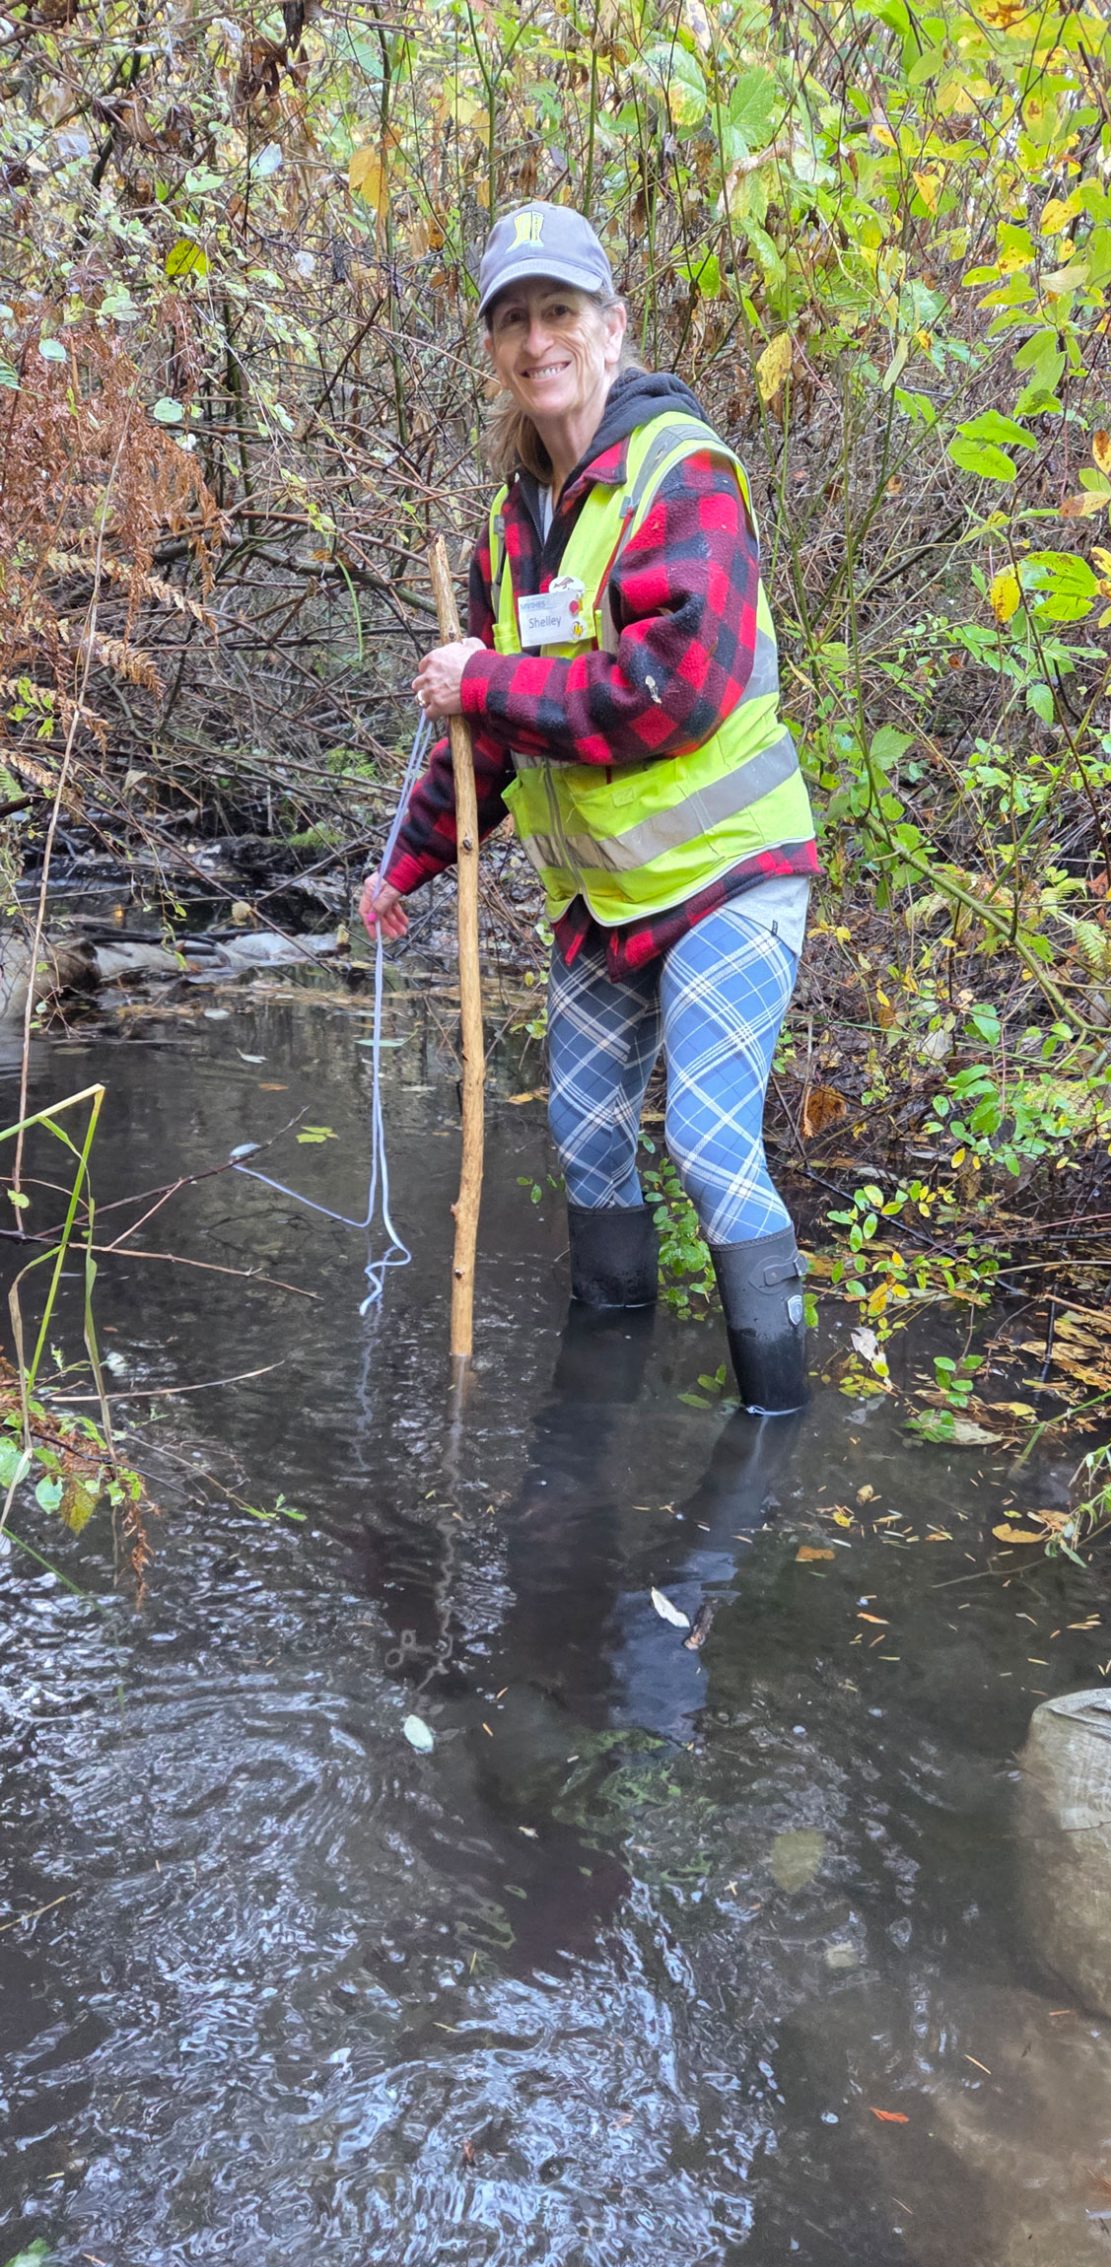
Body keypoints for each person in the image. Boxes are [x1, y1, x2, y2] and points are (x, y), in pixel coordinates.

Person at [360, 201, 819, 1412]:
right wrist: (401, 872)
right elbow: (488, 752)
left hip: (731, 875)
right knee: (586, 1140)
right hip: (603, 903)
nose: (535, 339)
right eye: (512, 319)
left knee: (711, 1148)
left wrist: (485, 678)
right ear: (493, 349)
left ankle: (772, 1435)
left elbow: (672, 692)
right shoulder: (508, 535)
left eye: (558, 311)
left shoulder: (685, 473)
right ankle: (597, 1412)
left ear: (609, 328)